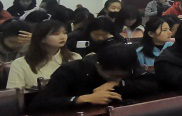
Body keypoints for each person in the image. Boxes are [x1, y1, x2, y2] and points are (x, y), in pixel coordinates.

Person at [29, 43, 158, 111]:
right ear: (98, 66)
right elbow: (39, 104)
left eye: (123, 76)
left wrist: (118, 83)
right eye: (112, 76)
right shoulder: (72, 70)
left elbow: (154, 84)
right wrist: (82, 99)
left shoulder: (128, 65)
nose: (117, 78)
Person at [6, 20, 80, 88]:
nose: (62, 37)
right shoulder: (20, 64)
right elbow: (14, 94)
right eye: (56, 34)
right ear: (42, 38)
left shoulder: (75, 58)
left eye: (65, 33)